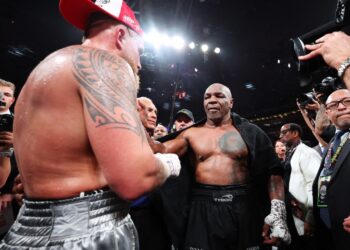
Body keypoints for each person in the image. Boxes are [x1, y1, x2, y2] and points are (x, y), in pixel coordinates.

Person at [0, 0, 181, 249]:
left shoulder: (45, 68)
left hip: (25, 231)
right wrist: (169, 164)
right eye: (139, 50)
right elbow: (134, 179)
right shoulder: (107, 64)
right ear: (120, 36)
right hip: (85, 234)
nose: (139, 63)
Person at [152, 83, 290, 250]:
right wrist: (132, 121)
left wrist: (278, 213)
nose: (212, 100)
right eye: (207, 97)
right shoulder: (191, 134)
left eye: (219, 96)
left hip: (244, 205)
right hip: (202, 207)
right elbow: (161, 150)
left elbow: (273, 172)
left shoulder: (251, 132)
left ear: (231, 102)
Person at [312, 89, 350, 250]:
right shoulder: (334, 141)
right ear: (327, 113)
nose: (341, 107)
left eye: (347, 102)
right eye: (334, 105)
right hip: (331, 231)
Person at [279, 123, 321, 250]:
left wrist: (311, 217)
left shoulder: (307, 152)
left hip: (305, 213)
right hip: (292, 211)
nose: (281, 136)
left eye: (284, 132)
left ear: (295, 133)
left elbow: (315, 184)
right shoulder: (291, 153)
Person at [0, 79, 17, 240]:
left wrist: (8, 192)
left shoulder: (22, 124)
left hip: (10, 198)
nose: (2, 98)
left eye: (7, 94)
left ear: (12, 100)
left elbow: (27, 163)